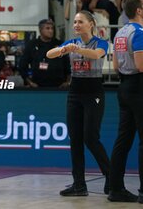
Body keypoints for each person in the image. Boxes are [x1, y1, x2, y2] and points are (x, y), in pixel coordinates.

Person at [46, 10, 110, 196]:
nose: (76, 25)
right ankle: (79, 185)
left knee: (90, 138)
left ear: (91, 24)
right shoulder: (70, 43)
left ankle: (111, 177)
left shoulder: (101, 42)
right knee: (75, 139)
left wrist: (78, 50)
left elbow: (97, 55)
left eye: (80, 22)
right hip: (75, 93)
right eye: (74, 22)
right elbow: (50, 54)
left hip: (93, 92)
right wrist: (63, 50)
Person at [107, 0, 143, 203]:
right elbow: (141, 66)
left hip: (124, 86)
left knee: (123, 139)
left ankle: (116, 188)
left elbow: (116, 66)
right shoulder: (139, 33)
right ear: (138, 10)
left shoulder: (120, 32)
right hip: (139, 87)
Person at [19, 19, 71, 88]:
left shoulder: (60, 44)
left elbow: (68, 65)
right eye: (47, 28)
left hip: (58, 86)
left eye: (52, 28)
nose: (51, 31)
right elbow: (22, 66)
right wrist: (30, 82)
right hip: (38, 86)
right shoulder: (32, 45)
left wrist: (67, 82)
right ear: (40, 30)